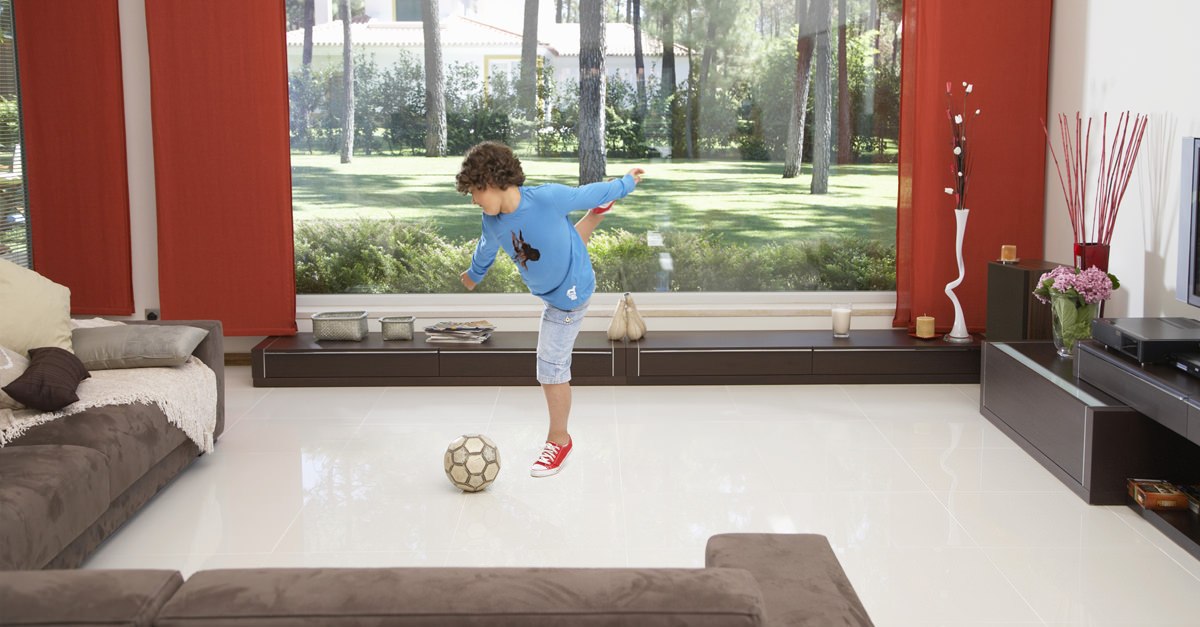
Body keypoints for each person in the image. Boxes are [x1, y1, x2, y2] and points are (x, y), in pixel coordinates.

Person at [456, 141, 644, 477]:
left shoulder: (546, 198)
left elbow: (590, 190)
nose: (472, 200)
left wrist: (626, 182)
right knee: (562, 240)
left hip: (568, 296)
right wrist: (475, 273)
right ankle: (597, 217)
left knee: (550, 367)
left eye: (474, 192)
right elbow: (486, 249)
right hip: (556, 274)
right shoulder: (493, 221)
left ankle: (559, 440)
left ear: (493, 181)